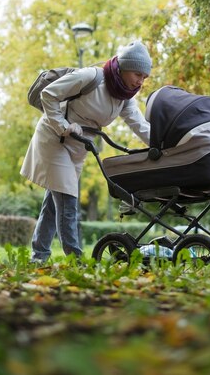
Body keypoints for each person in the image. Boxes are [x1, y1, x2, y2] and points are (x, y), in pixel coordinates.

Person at [20, 41, 153, 263]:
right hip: (54, 138)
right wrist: (62, 126)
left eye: (145, 77)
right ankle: (76, 260)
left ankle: (38, 257)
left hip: (78, 146)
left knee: (54, 204)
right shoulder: (92, 77)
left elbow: (141, 126)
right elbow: (48, 94)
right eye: (138, 74)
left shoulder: (125, 98)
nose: (140, 81)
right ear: (124, 67)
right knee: (68, 201)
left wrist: (167, 143)